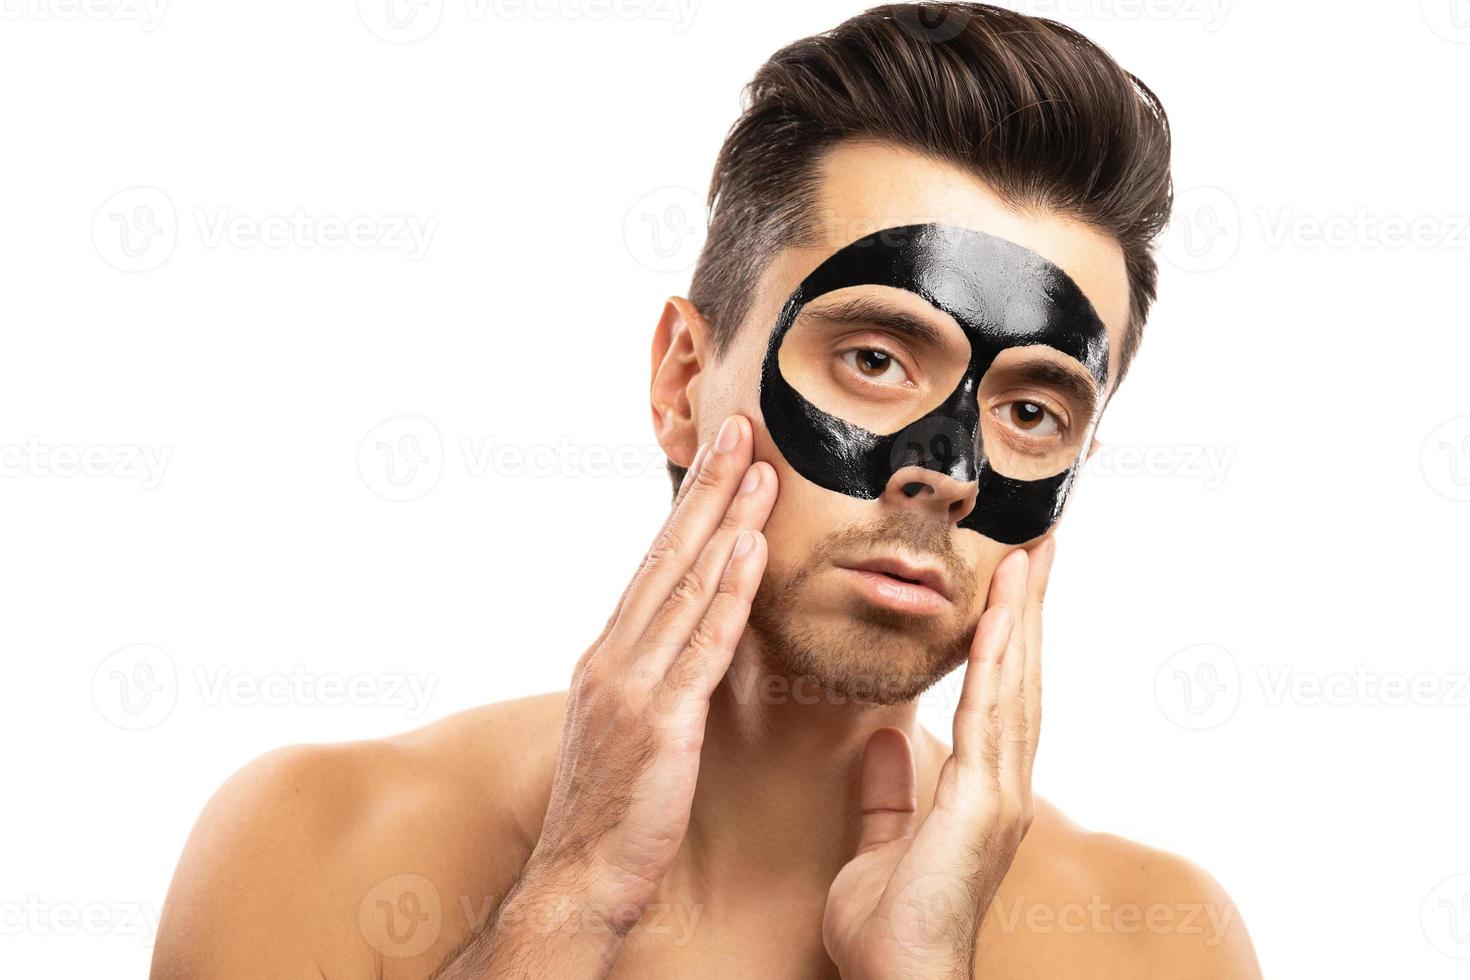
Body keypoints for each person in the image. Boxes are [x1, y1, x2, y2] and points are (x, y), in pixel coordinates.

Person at [152, 4, 1262, 977]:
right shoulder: (318, 845)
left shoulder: (1156, 944)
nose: (948, 472)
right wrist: (567, 898)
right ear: (683, 380)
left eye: (1031, 411)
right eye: (875, 358)